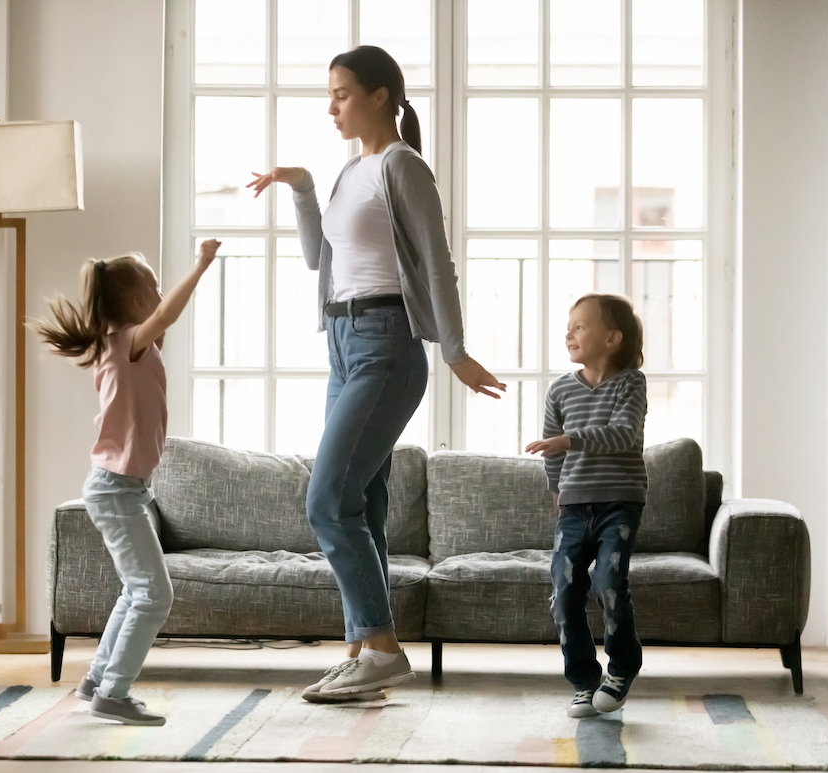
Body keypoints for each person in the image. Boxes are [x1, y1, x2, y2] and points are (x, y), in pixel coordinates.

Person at [247, 45, 505, 703]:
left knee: (327, 500)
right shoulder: (347, 173)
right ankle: (363, 648)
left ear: (382, 95)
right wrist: (303, 188)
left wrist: (454, 348)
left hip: (387, 343)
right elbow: (317, 258)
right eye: (329, 94)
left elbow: (439, 262)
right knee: (365, 501)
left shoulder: (402, 166)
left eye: (341, 92)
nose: (331, 105)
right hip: (342, 341)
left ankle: (382, 649)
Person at [29, 240, 221, 725]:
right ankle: (113, 693)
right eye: (154, 287)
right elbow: (167, 316)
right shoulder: (127, 344)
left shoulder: (134, 346)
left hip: (123, 488)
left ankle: (97, 680)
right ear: (137, 304)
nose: (160, 295)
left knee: (136, 591)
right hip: (115, 489)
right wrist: (200, 265)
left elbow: (162, 324)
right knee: (155, 595)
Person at [526, 293, 648, 718]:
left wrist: (573, 440)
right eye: (569, 325)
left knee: (609, 582)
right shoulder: (560, 389)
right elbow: (551, 452)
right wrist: (557, 493)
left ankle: (622, 666)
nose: (569, 333)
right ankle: (583, 680)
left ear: (612, 337)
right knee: (563, 591)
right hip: (574, 507)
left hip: (620, 502)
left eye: (580, 326)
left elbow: (624, 435)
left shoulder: (632, 383)